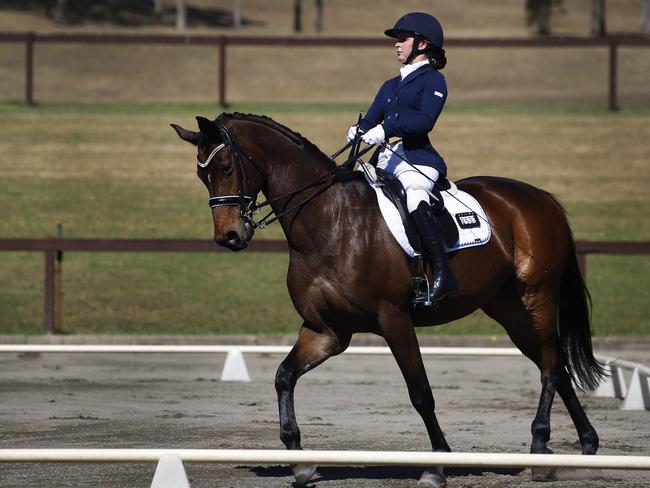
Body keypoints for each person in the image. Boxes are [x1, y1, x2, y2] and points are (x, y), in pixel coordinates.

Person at [347, 11, 457, 303]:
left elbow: (424, 122)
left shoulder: (433, 81)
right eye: (396, 40)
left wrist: (385, 129)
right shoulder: (389, 86)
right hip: (384, 162)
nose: (396, 44)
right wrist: (358, 131)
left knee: (415, 198)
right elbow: (371, 121)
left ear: (422, 44)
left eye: (402, 39)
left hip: (418, 162)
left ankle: (443, 274)